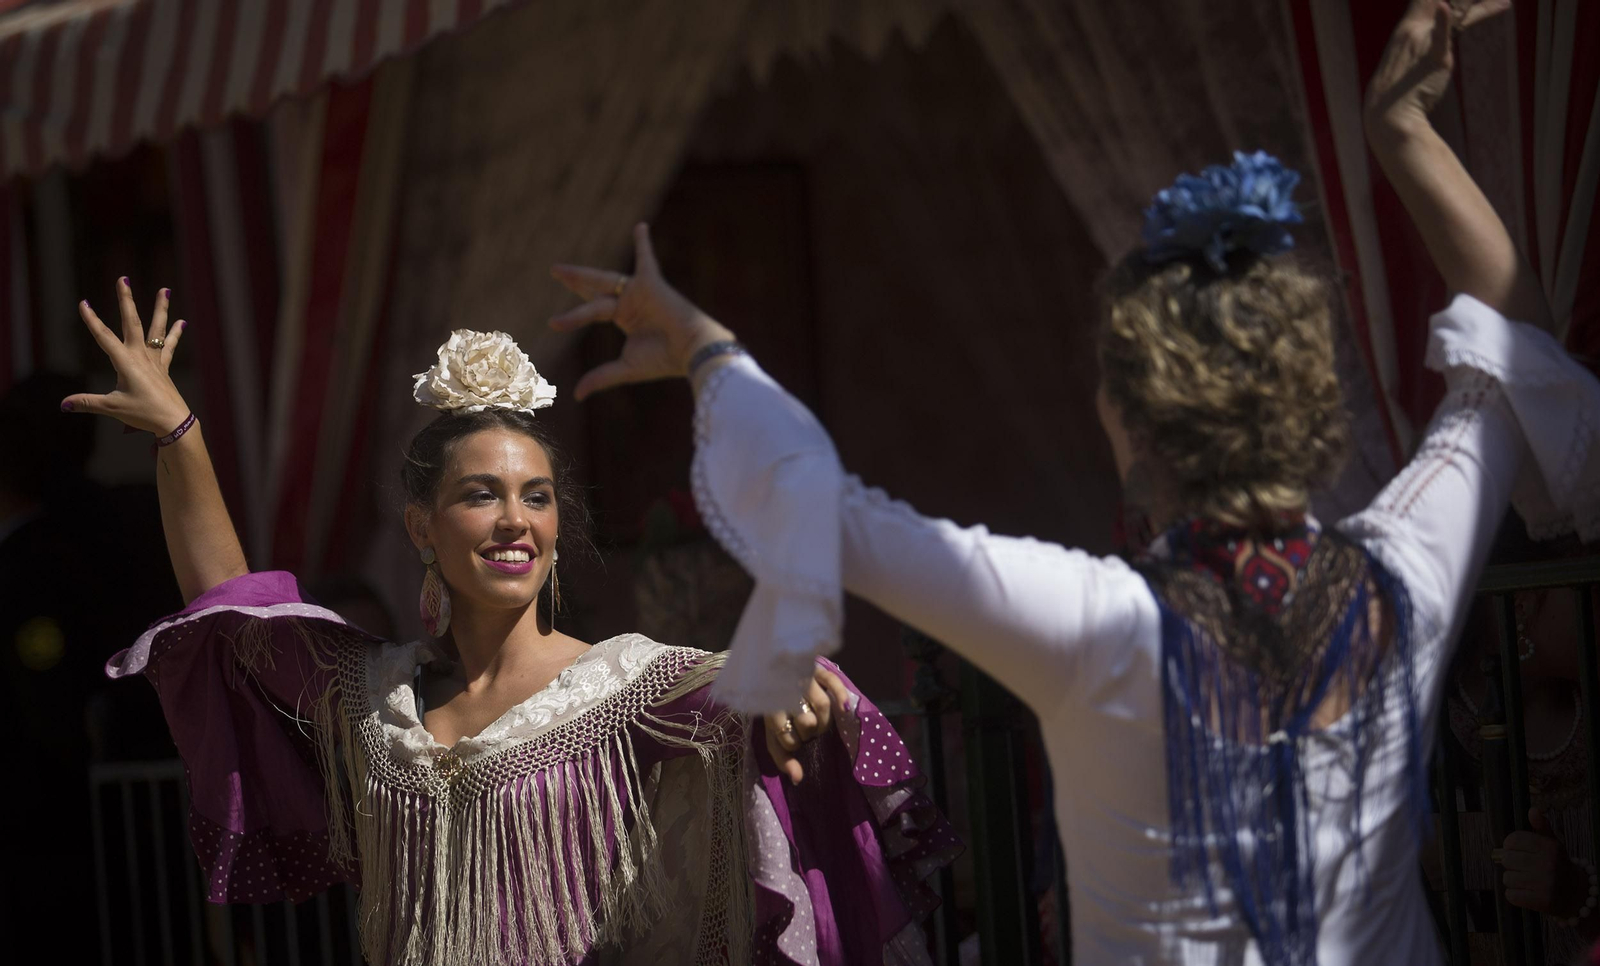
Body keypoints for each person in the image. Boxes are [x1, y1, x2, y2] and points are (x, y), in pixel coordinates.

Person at [549, 2, 1600, 962]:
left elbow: (826, 507)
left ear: (1131, 423)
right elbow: (1507, 353)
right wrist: (1402, 131)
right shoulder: (1397, 577)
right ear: (1308, 404)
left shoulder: (1097, 623)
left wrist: (704, 348)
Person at [65, 296, 958, 964]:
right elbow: (232, 612)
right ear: (422, 525)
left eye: (535, 497)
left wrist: (792, 684)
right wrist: (177, 433)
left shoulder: (628, 690)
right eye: (479, 494)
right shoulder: (371, 700)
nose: (513, 521)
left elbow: (748, 684)